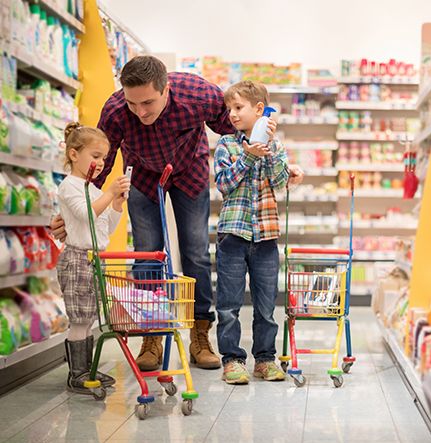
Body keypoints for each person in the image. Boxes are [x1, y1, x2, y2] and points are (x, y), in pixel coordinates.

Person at [50, 55, 305, 372]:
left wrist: (270, 146)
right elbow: (97, 167)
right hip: (143, 178)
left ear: (166, 88)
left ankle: (200, 334)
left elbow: (237, 129)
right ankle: (151, 336)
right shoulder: (116, 111)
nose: (140, 112)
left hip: (190, 175)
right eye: (133, 103)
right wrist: (77, 211)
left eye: (148, 102)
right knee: (146, 254)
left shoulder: (198, 94)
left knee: (195, 252)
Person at [214, 81, 288, 384]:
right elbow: (224, 184)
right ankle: (232, 360)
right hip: (233, 235)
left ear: (260, 110)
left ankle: (265, 359)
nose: (232, 114)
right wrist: (247, 156)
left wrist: (266, 151)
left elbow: (280, 180)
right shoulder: (226, 145)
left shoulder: (277, 146)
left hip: (267, 236)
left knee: (266, 306)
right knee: (229, 304)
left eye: (238, 108)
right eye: (229, 108)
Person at [57, 122, 131, 393]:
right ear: (74, 155)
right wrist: (109, 193)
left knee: (88, 318)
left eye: (103, 158)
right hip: (77, 259)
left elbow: (104, 228)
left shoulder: (93, 188)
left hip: (94, 259)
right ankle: (77, 374)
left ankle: (86, 369)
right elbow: (84, 214)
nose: (100, 163)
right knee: (79, 318)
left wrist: (117, 204)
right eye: (95, 156)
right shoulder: (70, 186)